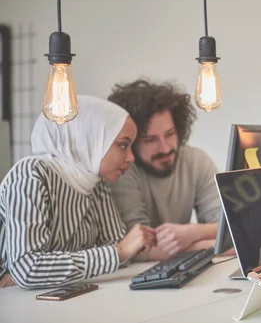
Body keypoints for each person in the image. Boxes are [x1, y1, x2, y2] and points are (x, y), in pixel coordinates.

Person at [0, 95, 156, 289]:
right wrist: (119, 251)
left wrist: (118, 252)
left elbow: (118, 254)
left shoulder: (95, 182)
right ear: (88, 138)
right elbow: (27, 268)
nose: (131, 157)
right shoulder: (31, 174)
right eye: (123, 145)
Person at [107, 79, 222, 261]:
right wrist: (210, 244)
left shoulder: (196, 161)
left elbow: (230, 224)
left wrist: (193, 232)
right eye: (150, 140)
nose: (165, 148)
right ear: (131, 142)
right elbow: (138, 247)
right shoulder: (122, 171)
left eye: (170, 134)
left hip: (182, 267)